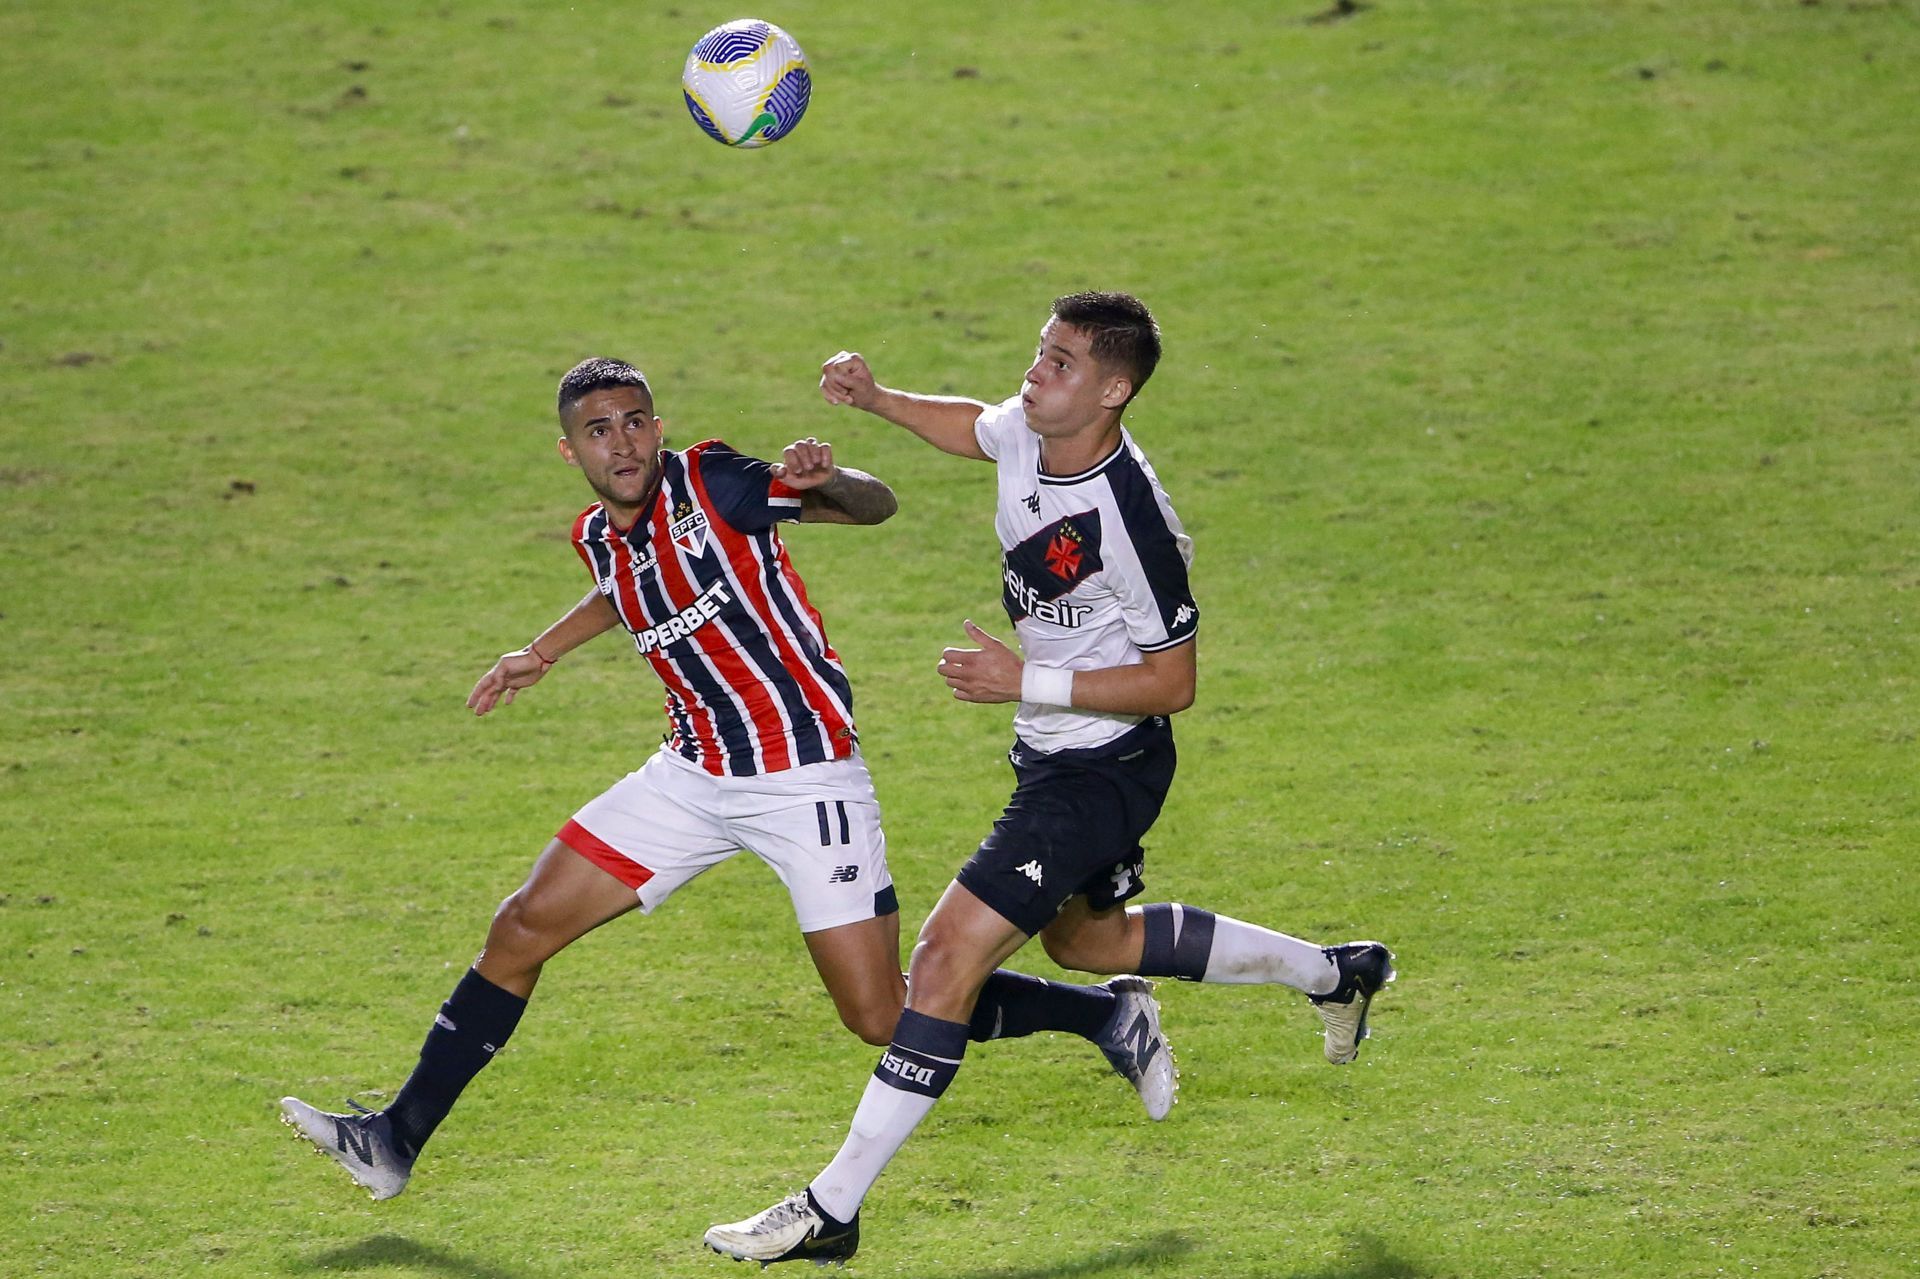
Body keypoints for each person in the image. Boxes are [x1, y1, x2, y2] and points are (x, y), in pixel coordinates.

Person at [279, 358, 1174, 1202]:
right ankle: (393, 1138)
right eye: (598, 431)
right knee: (520, 928)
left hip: (803, 777)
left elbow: (875, 506)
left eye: (634, 423)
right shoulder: (598, 534)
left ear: (657, 427)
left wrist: (825, 481)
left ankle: (1102, 1018)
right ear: (570, 450)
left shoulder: (716, 483)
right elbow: (623, 585)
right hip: (690, 773)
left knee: (876, 1012)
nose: (621, 443)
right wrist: (539, 651)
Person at [705, 293, 1396, 1266]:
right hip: (1053, 751)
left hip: (1104, 769)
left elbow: (1175, 681)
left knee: (945, 961)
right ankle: (1338, 973)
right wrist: (877, 401)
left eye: (1062, 363)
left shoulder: (1133, 524)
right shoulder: (1032, 428)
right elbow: (975, 429)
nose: (1035, 373)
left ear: (1113, 391)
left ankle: (833, 1206)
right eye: (1039, 352)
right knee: (1087, 939)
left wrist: (1018, 677)